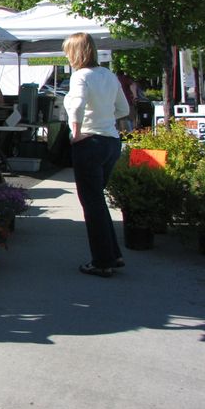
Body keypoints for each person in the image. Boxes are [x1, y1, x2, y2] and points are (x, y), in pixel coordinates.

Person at [62, 32, 130, 278]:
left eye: (68, 52)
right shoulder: (108, 75)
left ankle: (102, 261)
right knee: (97, 201)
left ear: (76, 53)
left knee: (91, 204)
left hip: (89, 143)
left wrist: (76, 132)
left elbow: (78, 104)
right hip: (111, 142)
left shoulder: (81, 76)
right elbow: (123, 108)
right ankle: (112, 254)